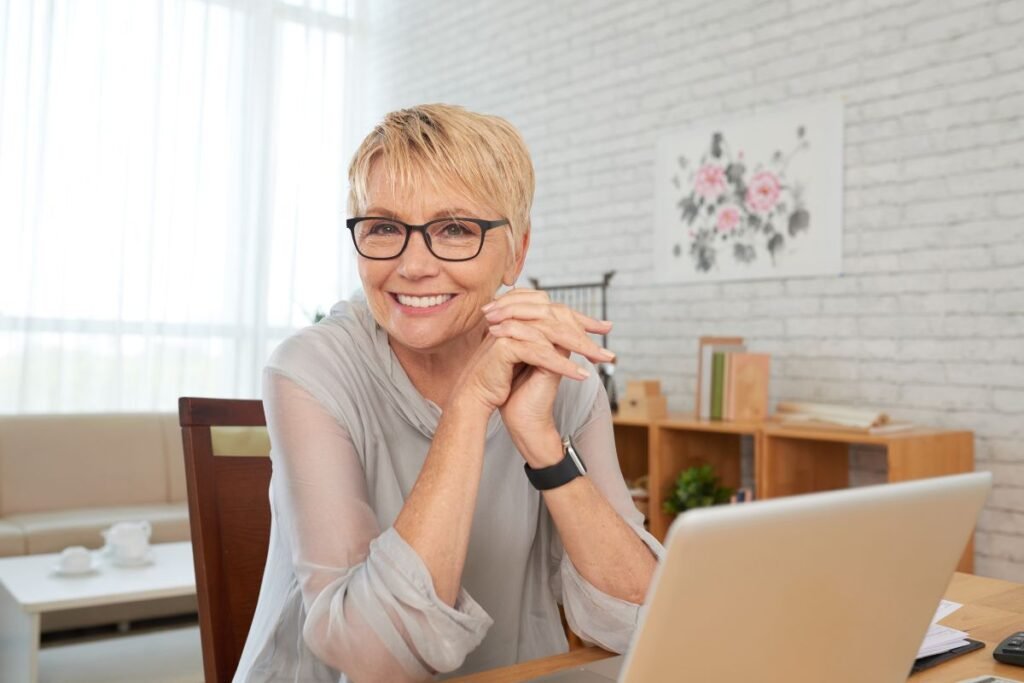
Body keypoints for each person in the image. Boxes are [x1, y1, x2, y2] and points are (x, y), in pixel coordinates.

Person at [235, 104, 662, 682]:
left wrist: (542, 443)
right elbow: (375, 660)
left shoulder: (555, 376)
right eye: (384, 227)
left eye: (455, 229)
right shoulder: (309, 369)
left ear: (517, 250)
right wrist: (468, 408)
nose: (412, 265)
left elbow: (643, 621)